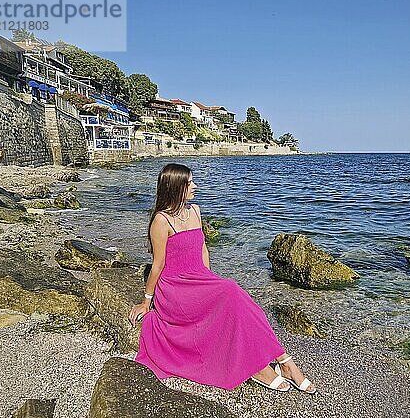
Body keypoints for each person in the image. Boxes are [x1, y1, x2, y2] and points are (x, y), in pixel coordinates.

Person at [129, 163, 316, 394]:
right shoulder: (161, 221)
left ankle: (284, 361)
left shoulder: (195, 211)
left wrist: (208, 281)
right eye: (189, 183)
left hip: (198, 279)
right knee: (231, 292)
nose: (194, 186)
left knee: (243, 304)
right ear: (176, 187)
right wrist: (147, 301)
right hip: (175, 290)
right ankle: (268, 367)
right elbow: (157, 265)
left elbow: (203, 249)